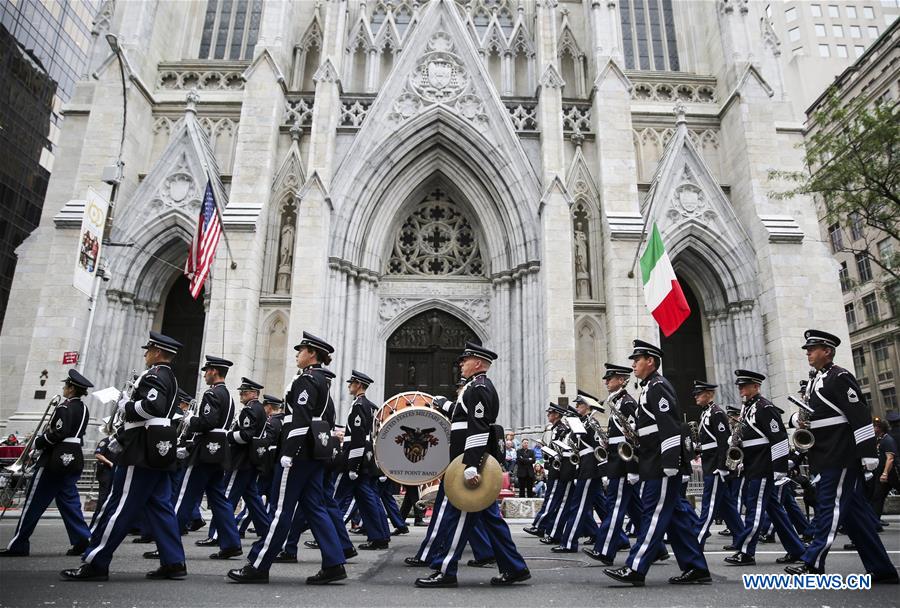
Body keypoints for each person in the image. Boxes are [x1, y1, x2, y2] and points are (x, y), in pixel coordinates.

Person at [62, 332, 186, 581]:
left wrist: (126, 405)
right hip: (158, 445)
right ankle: (173, 561)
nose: (145, 354)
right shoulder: (169, 376)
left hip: (141, 446)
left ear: (158, 353)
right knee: (160, 506)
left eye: (149, 350)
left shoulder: (154, 375)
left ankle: (96, 561)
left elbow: (153, 407)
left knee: (118, 506)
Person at [228, 332, 347, 584]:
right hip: (313, 453)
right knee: (315, 507)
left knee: (281, 509)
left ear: (312, 354)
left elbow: (300, 420)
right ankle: (334, 562)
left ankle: (259, 565)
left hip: (298, 454)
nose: (297, 354)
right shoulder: (322, 382)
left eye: (301, 350)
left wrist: (289, 453)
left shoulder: (307, 380)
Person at [784, 331, 897, 583]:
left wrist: (868, 454)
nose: (808, 353)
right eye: (807, 349)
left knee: (829, 508)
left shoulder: (840, 377)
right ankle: (882, 569)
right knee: (856, 518)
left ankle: (812, 562)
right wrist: (796, 420)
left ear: (827, 351)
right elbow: (818, 414)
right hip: (824, 454)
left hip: (840, 455)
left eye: (812, 349)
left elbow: (859, 415)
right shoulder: (817, 379)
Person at [414, 342, 530, 588]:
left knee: (454, 520)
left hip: (466, 466)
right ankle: (514, 567)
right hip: (462, 463)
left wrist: (471, 466)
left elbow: (477, 427)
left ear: (477, 363)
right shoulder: (473, 388)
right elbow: (462, 417)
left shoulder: (478, 388)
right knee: (492, 522)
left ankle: (445, 570)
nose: (460, 364)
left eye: (465, 361)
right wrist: (444, 405)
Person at [603, 340, 710, 586]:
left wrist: (670, 462)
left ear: (650, 361)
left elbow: (670, 426)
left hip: (661, 464)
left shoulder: (658, 387)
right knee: (677, 517)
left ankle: (636, 566)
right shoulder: (650, 387)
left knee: (653, 514)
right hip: (652, 461)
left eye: (636, 360)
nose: (633, 365)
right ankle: (696, 567)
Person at [1, 370, 93, 557]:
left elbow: (58, 433)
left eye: (65, 386)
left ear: (71, 388)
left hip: (55, 458)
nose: (63, 389)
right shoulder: (83, 409)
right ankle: (82, 540)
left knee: (34, 501)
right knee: (69, 500)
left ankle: (19, 543)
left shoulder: (64, 408)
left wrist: (38, 442)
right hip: (74, 457)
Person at [722, 369, 805, 567]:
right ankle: (797, 549)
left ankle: (746, 551)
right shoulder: (748, 408)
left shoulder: (764, 407)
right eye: (740, 386)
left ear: (756, 387)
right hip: (753, 463)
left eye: (745, 386)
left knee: (755, 508)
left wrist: (779, 469)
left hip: (763, 465)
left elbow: (779, 438)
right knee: (774, 510)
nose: (741, 389)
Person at [174, 356, 243, 560]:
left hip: (206, 449)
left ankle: (166, 543)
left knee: (184, 496)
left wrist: (190, 420)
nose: (204, 375)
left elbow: (207, 421)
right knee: (219, 499)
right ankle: (231, 542)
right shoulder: (228, 396)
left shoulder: (212, 393)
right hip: (220, 450)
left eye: (206, 371)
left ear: (214, 371)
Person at [200, 378, 271, 547]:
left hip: (242, 459)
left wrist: (227, 436)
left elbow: (246, 435)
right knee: (252, 498)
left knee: (227, 497)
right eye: (241, 392)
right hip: (251, 459)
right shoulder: (258, 408)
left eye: (245, 392)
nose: (241, 395)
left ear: (254, 393)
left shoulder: (250, 409)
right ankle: (267, 532)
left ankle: (217, 534)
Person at [584, 363, 640, 565]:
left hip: (624, 464)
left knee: (614, 506)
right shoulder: (617, 402)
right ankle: (658, 549)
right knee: (635, 509)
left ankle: (605, 550)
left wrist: (633, 468)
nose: (607, 382)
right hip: (617, 460)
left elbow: (633, 437)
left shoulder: (627, 403)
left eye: (611, 378)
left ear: (622, 380)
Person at [334, 370, 392, 549]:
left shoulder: (359, 405)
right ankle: (380, 535)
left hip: (357, 455)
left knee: (336, 499)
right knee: (368, 498)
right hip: (365, 455)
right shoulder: (370, 406)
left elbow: (358, 436)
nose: (349, 386)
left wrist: (353, 465)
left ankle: (331, 534)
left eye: (352, 383)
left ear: (359, 385)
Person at [692, 380, 742, 551]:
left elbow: (724, 442)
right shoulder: (705, 413)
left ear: (709, 394)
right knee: (726, 506)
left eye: (699, 393)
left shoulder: (717, 413)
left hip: (715, 467)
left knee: (709, 504)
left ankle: (697, 540)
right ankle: (741, 537)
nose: (696, 397)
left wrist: (722, 467)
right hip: (709, 462)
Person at [554, 393, 605, 553]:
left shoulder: (591, 422)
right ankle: (621, 540)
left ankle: (569, 542)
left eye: (579, 405)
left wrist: (603, 472)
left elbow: (598, 447)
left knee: (579, 506)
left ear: (587, 406)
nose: (576, 408)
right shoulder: (584, 422)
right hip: (585, 466)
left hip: (590, 467)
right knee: (600, 506)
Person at [522, 403, 569, 537]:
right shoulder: (554, 428)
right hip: (554, 466)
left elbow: (560, 449)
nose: (548, 415)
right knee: (555, 500)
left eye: (550, 413)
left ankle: (539, 526)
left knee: (551, 499)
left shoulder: (560, 429)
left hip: (558, 468)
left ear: (557, 415)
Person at [90, 421, 118, 529]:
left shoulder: (117, 442)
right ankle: (95, 524)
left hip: (114, 472)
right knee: (103, 498)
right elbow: (98, 454)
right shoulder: (105, 441)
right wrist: (109, 463)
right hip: (106, 472)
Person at [870, 419, 899, 523]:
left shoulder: (887, 440)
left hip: (892, 474)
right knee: (878, 497)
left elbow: (890, 458)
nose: (872, 429)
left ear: (880, 429)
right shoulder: (879, 440)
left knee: (878, 496)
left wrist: (885, 473)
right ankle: (875, 522)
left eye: (874, 427)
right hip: (883, 475)